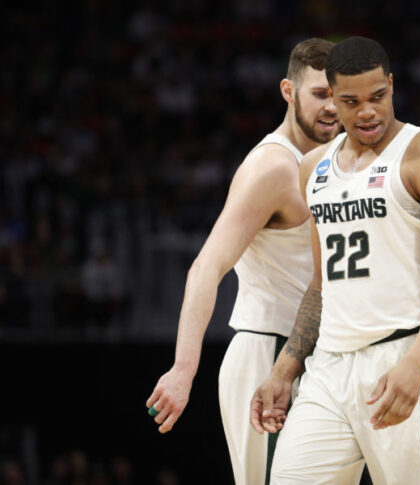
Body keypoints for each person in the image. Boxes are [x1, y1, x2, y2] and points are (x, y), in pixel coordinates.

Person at [251, 36, 420, 485]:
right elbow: (320, 283)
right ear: (331, 98)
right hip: (329, 368)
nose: (368, 111)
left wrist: (416, 364)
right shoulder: (313, 167)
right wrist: (284, 370)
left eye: (378, 97)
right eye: (352, 101)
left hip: (402, 355)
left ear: (391, 85)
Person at [145, 38, 339, 485]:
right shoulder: (272, 167)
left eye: (338, 94)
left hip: (319, 357)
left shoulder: (334, 160)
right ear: (288, 92)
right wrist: (183, 369)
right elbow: (207, 266)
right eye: (319, 94)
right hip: (268, 354)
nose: (331, 107)